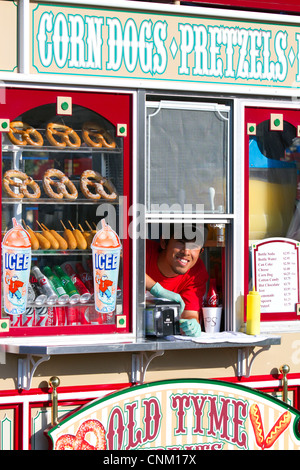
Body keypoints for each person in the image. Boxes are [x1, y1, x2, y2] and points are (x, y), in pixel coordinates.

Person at [146, 224, 208, 337]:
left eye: (194, 246)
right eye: (181, 242)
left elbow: (189, 315)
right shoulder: (142, 250)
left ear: (201, 251)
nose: (186, 252)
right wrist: (156, 289)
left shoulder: (196, 272)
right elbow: (119, 260)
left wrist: (191, 325)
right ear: (164, 242)